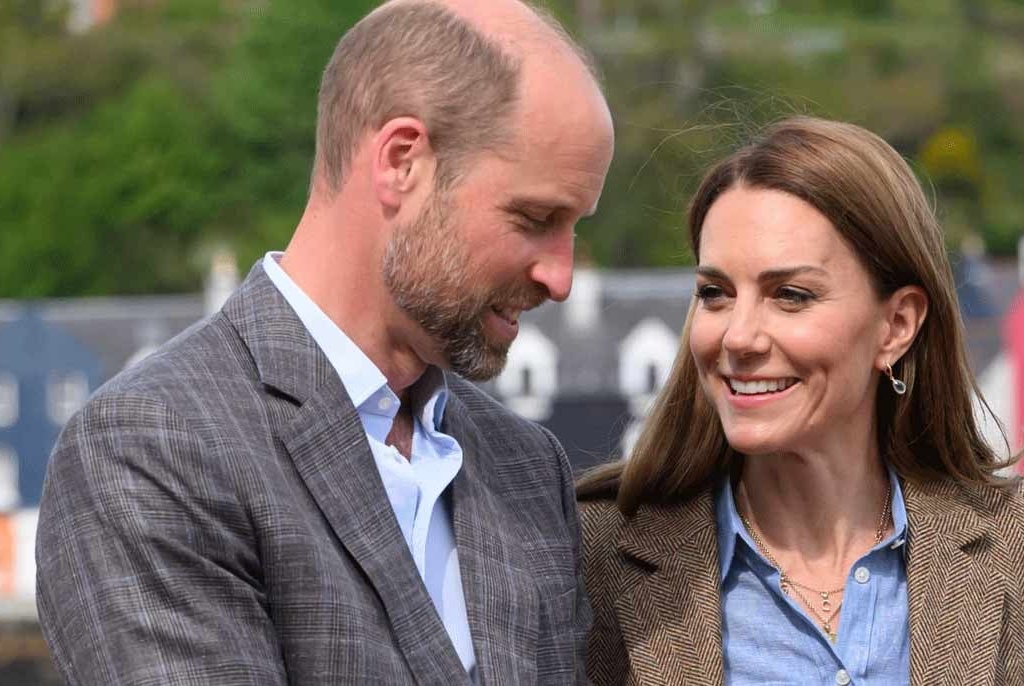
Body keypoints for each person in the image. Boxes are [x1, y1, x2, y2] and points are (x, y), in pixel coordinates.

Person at [35, 1, 614, 684]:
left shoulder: (527, 466)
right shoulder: (152, 447)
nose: (562, 275)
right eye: (536, 218)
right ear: (402, 161)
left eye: (574, 225)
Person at [577, 117, 1024, 685]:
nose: (738, 337)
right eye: (715, 294)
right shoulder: (592, 553)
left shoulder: (1021, 540)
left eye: (790, 295)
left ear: (896, 325)